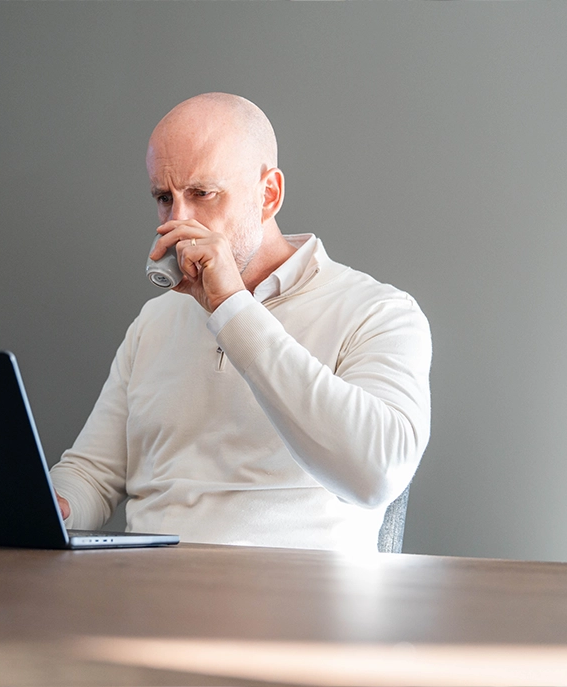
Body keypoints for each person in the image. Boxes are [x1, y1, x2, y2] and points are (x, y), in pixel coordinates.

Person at [49, 92, 431, 553]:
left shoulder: (378, 312)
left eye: (202, 194)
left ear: (268, 194)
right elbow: (93, 473)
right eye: (163, 198)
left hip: (295, 607)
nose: (177, 222)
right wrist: (56, 500)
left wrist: (232, 307)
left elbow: (377, 474)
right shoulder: (156, 319)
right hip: (147, 600)